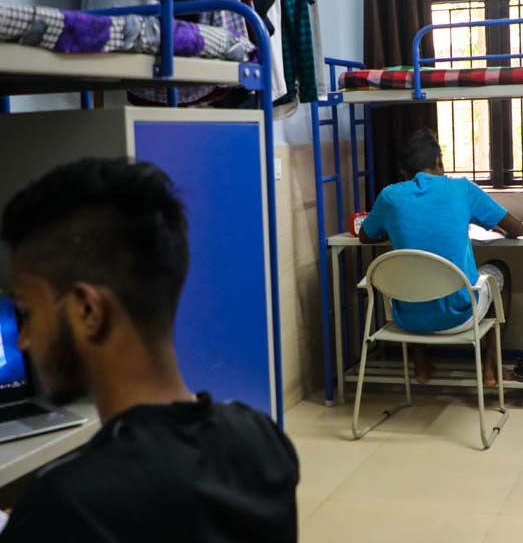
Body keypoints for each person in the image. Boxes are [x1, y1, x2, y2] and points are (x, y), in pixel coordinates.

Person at [0, 159, 299, 541]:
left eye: (27, 312)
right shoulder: (262, 441)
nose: (23, 339)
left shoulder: (64, 505)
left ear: (88, 311)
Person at [359, 128, 523, 386]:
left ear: (404, 172)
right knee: (499, 268)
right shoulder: (462, 189)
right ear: (439, 161)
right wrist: (493, 225)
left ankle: (421, 366)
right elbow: (517, 228)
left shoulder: (390, 196)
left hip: (407, 319)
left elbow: (365, 236)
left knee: (414, 277)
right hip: (461, 317)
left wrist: (397, 228)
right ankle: (491, 369)